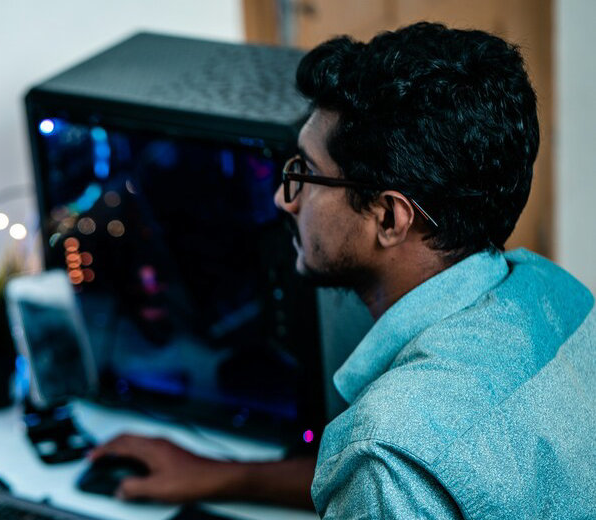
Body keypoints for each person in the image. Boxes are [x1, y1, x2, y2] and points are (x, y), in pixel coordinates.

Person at [88, 22, 596, 518]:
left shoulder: (386, 457)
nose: (283, 200)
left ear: (389, 217)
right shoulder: (556, 293)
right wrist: (226, 475)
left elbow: (386, 470)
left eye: (304, 174)